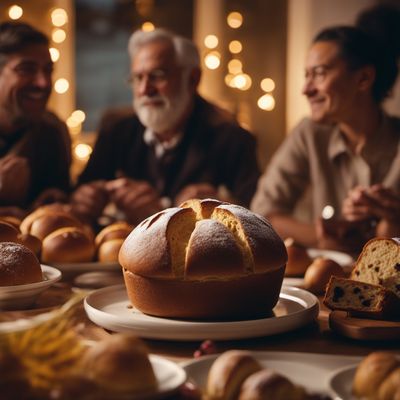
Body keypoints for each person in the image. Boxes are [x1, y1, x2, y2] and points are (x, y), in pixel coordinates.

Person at [72, 28, 260, 226]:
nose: (145, 90)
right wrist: (85, 199)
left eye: (157, 76)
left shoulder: (233, 139)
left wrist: (221, 206)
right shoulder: (116, 129)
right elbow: (82, 196)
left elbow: (254, 218)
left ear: (193, 79)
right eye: (138, 78)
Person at [251, 20, 400, 253]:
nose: (306, 89)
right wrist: (322, 237)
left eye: (319, 74)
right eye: (306, 75)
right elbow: (263, 215)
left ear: (364, 79)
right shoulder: (309, 134)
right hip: (325, 281)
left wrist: (393, 220)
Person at [0, 22, 71, 219]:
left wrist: (57, 201)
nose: (43, 82)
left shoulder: (53, 131)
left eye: (48, 70)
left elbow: (59, 199)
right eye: (26, 69)